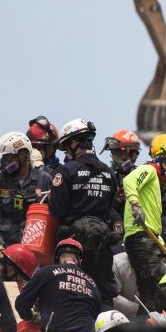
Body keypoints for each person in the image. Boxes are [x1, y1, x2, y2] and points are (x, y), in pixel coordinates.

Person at [48, 119, 120, 305]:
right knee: (103, 295)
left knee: (73, 293)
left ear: (73, 143)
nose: (66, 152)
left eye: (66, 147)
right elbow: (111, 207)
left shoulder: (64, 172)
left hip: (73, 246)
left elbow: (57, 210)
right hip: (102, 247)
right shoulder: (109, 173)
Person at [123, 142, 166, 311]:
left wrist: (163, 248)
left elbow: (152, 225)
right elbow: (129, 180)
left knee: (150, 292)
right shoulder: (150, 170)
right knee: (162, 283)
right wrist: (135, 204)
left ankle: (147, 325)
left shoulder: (155, 186)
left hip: (148, 237)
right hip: (140, 237)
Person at [15, 239, 102, 332]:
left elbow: (21, 304)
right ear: (79, 260)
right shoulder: (92, 283)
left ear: (56, 258)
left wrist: (32, 317)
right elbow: (97, 315)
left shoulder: (46, 272)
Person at [0, 131, 52, 252]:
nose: (4, 162)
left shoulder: (44, 179)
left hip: (33, 249)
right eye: (3, 157)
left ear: (23, 154)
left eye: (8, 157)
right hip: (2, 248)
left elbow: (52, 216)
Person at [103, 129, 143, 246]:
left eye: (119, 153)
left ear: (133, 154)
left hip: (140, 234)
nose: (115, 158)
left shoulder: (143, 177)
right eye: (113, 153)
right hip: (116, 237)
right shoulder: (108, 179)